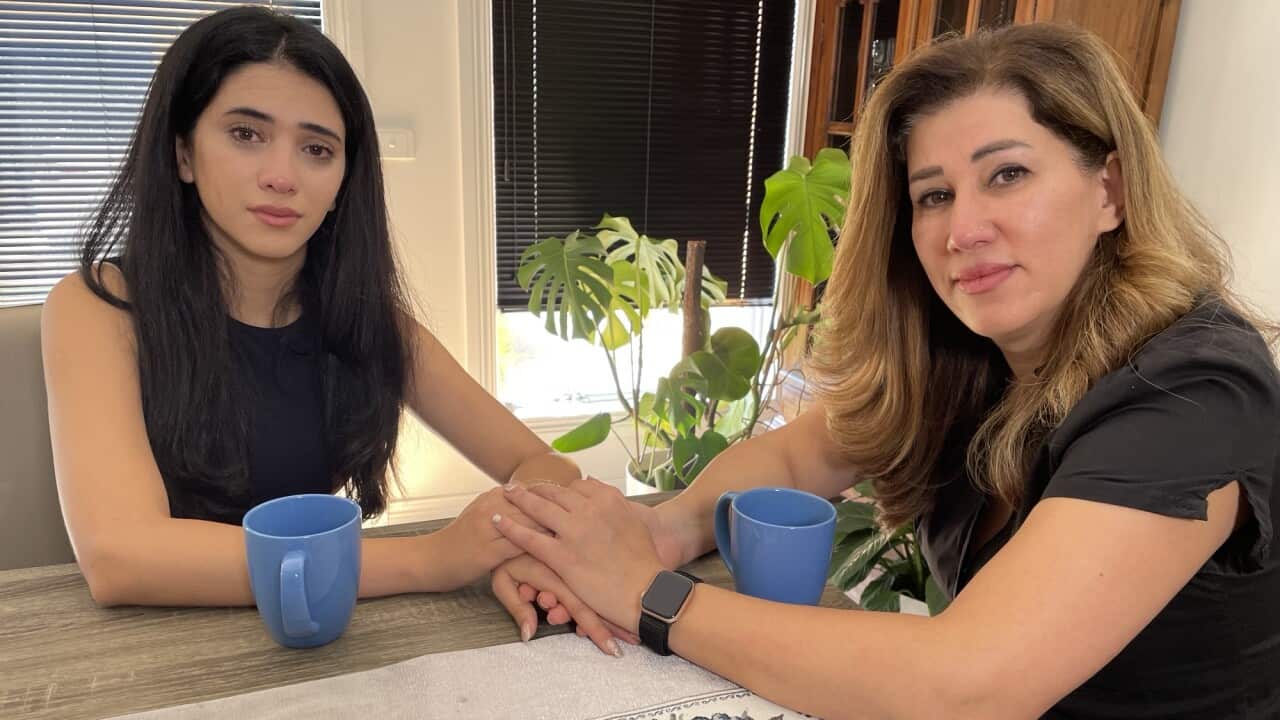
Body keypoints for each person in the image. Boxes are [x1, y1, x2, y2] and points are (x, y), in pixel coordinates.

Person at [491, 22, 1280, 718]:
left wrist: (644, 593)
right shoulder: (964, 351)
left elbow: (970, 686)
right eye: (933, 195)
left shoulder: (1193, 390)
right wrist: (660, 532)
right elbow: (802, 454)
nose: (963, 228)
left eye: (1007, 174)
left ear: (1108, 189)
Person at [40, 5, 623, 653]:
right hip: (154, 649)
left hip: (320, 633)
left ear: (344, 180)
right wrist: (430, 562)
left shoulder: (369, 321)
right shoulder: (99, 304)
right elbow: (123, 556)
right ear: (182, 151)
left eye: (317, 149)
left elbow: (538, 463)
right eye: (245, 134)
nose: (282, 176)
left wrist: (520, 545)